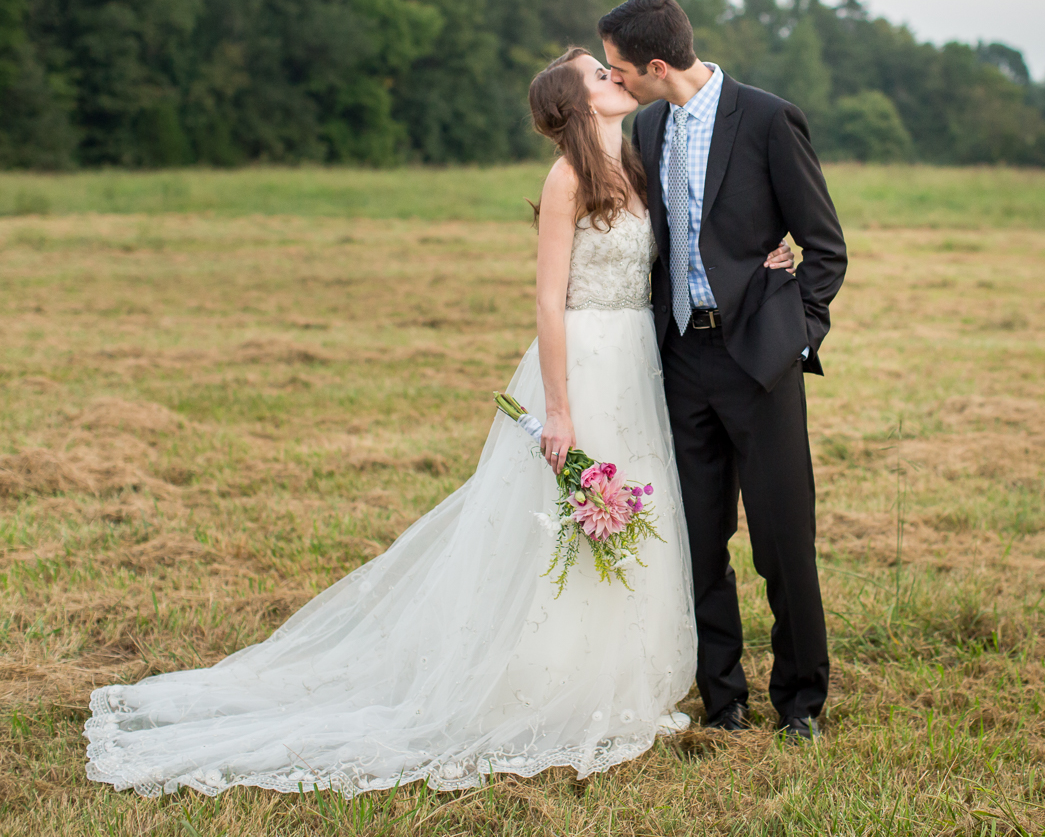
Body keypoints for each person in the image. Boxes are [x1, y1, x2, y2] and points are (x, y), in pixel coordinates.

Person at [83, 47, 796, 798]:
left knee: (634, 514)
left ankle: (628, 673)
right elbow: (549, 301)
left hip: (639, 368)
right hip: (583, 365)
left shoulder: (639, 161)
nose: (615, 78)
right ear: (576, 104)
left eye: (612, 70)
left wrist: (764, 259)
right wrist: (557, 409)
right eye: (598, 74)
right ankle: (548, 676)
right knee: (563, 525)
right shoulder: (568, 179)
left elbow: (690, 241)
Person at [598, 0, 847, 742]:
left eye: (618, 70)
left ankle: (801, 702)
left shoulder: (769, 119)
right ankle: (723, 698)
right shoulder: (646, 125)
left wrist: (793, 333)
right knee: (698, 540)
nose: (616, 83)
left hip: (758, 363)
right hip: (680, 360)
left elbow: (825, 246)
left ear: (657, 66)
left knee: (781, 540)